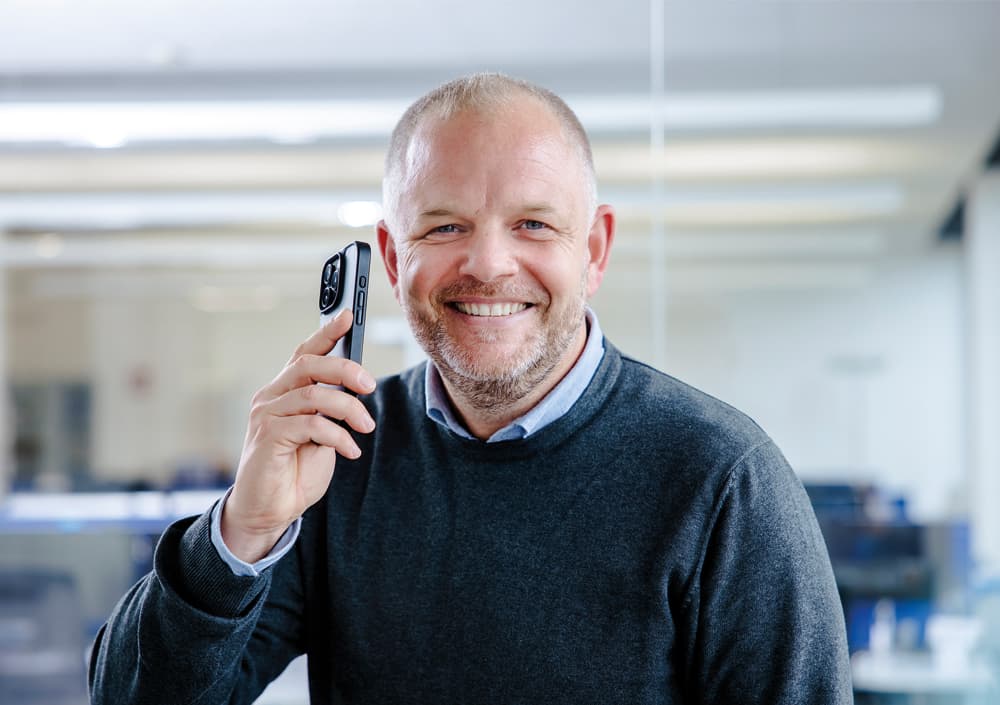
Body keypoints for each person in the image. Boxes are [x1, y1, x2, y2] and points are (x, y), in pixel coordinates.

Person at [89, 73, 852, 704]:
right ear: (391, 258)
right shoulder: (340, 452)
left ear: (595, 250)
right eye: (445, 227)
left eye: (532, 224)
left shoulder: (722, 478)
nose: (487, 264)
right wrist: (242, 530)